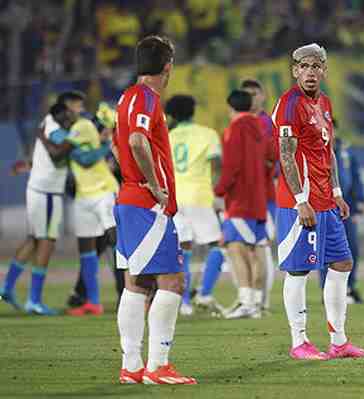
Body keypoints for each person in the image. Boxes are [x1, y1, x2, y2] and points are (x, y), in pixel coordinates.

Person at [273, 43, 364, 361]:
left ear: (324, 70)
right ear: (294, 70)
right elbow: (286, 155)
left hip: (327, 202)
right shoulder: (289, 105)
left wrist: (338, 193)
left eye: (317, 66)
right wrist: (301, 200)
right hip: (300, 204)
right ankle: (299, 341)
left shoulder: (325, 103)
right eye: (304, 66)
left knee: (342, 264)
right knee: (298, 271)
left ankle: (338, 341)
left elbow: (328, 152)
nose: (311, 72)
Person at [114, 35, 196, 385]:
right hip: (147, 206)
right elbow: (136, 141)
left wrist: (132, 177)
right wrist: (154, 185)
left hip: (129, 199)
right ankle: (158, 365)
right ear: (168, 66)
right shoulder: (148, 98)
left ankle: (132, 366)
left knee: (137, 282)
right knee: (173, 281)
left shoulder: (126, 97)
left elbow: (116, 143)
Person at [0, 92, 82, 315]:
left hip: (44, 190)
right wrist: (75, 139)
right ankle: (34, 300)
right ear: (65, 108)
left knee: (35, 240)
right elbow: (56, 153)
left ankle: (7, 287)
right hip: (46, 192)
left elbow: (47, 153)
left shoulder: (52, 125)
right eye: (76, 105)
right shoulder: (53, 125)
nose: (79, 110)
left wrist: (29, 161)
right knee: (47, 242)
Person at [215, 89, 272, 320]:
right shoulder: (261, 128)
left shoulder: (233, 130)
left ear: (231, 108)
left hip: (239, 201)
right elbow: (273, 157)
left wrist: (219, 190)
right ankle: (257, 302)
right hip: (259, 200)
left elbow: (232, 166)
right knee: (259, 250)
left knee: (234, 248)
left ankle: (246, 302)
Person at [165, 94, 223, 316]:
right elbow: (216, 164)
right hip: (200, 196)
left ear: (172, 115)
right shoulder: (207, 134)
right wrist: (218, 194)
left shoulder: (168, 136)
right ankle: (205, 294)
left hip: (175, 198)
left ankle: (185, 302)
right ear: (193, 111)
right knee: (217, 246)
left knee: (184, 248)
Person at [61, 101, 120, 316]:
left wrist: (106, 145)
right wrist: (105, 146)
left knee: (116, 243)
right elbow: (83, 159)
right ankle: (92, 302)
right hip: (84, 197)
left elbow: (84, 159)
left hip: (105, 193)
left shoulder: (83, 128)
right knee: (87, 250)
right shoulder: (76, 136)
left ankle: (133, 293)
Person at [319, 119, 364, 304]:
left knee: (351, 249)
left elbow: (355, 178)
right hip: (327, 207)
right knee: (328, 250)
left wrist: (360, 201)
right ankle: (328, 289)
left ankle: (349, 286)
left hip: (346, 208)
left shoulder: (345, 152)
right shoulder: (318, 151)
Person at [241, 79, 278, 312]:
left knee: (261, 245)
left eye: (255, 93)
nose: (252, 98)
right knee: (247, 246)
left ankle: (260, 301)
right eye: (248, 94)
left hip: (266, 193)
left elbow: (275, 156)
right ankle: (251, 298)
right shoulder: (241, 123)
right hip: (245, 195)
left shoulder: (267, 123)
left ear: (263, 96)